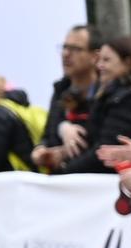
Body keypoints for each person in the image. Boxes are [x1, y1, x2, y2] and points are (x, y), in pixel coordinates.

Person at [54, 36, 131, 175]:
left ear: (128, 62)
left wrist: (64, 170)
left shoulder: (128, 100)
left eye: (106, 60)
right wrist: (62, 153)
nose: (99, 66)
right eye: (99, 60)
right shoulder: (109, 96)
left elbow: (104, 152)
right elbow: (93, 142)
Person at [39, 25, 101, 167]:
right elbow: (48, 137)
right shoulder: (60, 90)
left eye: (76, 49)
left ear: (95, 57)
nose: (66, 54)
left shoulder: (105, 93)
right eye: (65, 47)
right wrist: (40, 150)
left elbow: (102, 143)